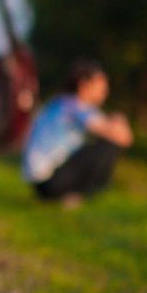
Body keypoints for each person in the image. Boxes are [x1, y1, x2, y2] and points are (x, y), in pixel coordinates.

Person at [23, 59, 133, 205]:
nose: (105, 90)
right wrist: (120, 120)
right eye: (101, 84)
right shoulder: (75, 106)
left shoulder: (62, 102)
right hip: (50, 181)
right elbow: (123, 139)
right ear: (84, 84)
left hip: (41, 181)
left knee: (103, 144)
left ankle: (70, 195)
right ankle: (76, 196)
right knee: (108, 147)